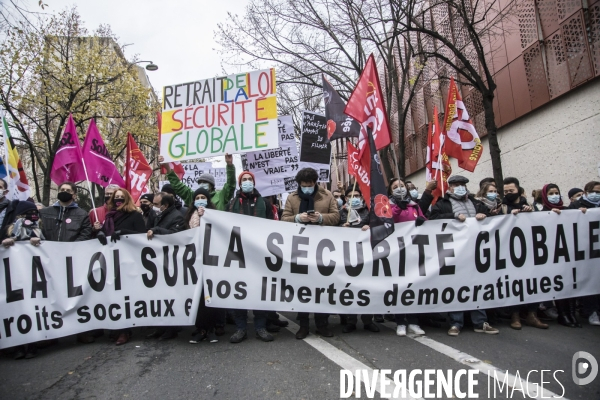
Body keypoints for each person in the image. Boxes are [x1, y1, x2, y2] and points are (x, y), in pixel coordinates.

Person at [429, 175, 499, 336]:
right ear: (450, 187)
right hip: (453, 252)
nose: (460, 187)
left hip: (475, 252)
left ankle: (480, 322)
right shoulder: (443, 204)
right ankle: (456, 322)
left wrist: (484, 215)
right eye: (456, 185)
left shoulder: (476, 203)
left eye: (462, 185)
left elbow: (491, 219)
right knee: (455, 286)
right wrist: (452, 217)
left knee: (477, 286)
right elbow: (433, 219)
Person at [282, 168, 340, 339]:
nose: (307, 188)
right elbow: (283, 219)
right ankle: (304, 325)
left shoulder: (327, 195)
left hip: (322, 249)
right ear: (299, 184)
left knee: (322, 287)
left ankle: (322, 324)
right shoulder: (292, 198)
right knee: (302, 288)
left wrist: (321, 218)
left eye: (310, 184)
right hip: (299, 249)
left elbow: (336, 217)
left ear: (315, 182)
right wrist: (297, 218)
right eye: (304, 185)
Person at [39, 182, 93, 343]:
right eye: (62, 190)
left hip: (73, 261)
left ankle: (81, 330)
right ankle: (52, 333)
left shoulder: (81, 214)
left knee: (76, 295)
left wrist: (71, 250)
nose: (64, 192)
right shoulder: (46, 212)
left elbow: (86, 233)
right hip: (49, 261)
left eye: (68, 191)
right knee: (51, 296)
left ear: (74, 194)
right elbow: (38, 231)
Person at [225, 171, 275, 343]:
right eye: (244, 180)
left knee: (259, 290)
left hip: (259, 253)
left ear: (254, 182)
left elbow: (272, 226)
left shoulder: (265, 203)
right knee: (239, 290)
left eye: (249, 180)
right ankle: (241, 328)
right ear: (240, 183)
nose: (247, 182)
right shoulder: (232, 203)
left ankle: (260, 327)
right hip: (238, 253)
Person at [96, 188, 147, 345]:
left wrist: (124, 232)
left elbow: (141, 235)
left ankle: (124, 331)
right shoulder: (109, 217)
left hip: (128, 263)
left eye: (121, 197)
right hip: (111, 262)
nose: (117, 199)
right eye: (115, 197)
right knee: (112, 295)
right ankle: (116, 328)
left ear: (127, 199)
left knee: (124, 297)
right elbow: (106, 235)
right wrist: (99, 233)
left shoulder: (135, 215)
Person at [2, 200, 44, 359]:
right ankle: (18, 346)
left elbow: (52, 247)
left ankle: (32, 345)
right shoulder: (9, 230)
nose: (32, 215)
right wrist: (7, 242)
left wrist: (39, 241)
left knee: (33, 309)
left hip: (34, 279)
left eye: (34, 212)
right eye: (28, 213)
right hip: (14, 278)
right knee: (16, 310)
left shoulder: (40, 228)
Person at [387, 178, 427, 337]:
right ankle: (400, 322)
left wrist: (422, 221)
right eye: (395, 187)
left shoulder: (414, 205)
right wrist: (397, 208)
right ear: (390, 191)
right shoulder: (388, 206)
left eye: (401, 186)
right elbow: (387, 221)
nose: (399, 189)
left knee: (413, 286)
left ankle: (413, 321)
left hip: (413, 251)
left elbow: (425, 221)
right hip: (396, 252)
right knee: (399, 287)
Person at [538, 184, 579, 328]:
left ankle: (572, 314)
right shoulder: (542, 212)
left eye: (557, 192)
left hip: (569, 253)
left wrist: (583, 212)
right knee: (560, 285)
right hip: (553, 254)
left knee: (571, 284)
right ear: (545, 196)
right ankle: (563, 315)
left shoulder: (568, 211)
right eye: (551, 193)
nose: (555, 195)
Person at [338, 186, 379, 334]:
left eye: (356, 195)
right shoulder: (341, 213)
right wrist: (341, 227)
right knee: (350, 287)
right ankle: (351, 321)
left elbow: (378, 226)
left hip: (367, 255)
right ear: (345, 198)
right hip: (348, 256)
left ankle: (368, 320)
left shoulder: (368, 211)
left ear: (361, 197)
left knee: (366, 287)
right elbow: (333, 230)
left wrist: (370, 226)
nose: (353, 198)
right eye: (350, 196)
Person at [145, 193, 185, 341]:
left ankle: (171, 329)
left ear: (165, 205)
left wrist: (157, 231)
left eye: (155, 204)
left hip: (170, 262)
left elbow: (176, 236)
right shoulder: (157, 215)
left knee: (170, 297)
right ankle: (160, 327)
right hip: (158, 261)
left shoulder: (177, 217)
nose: (153, 207)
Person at [185, 188, 221, 344]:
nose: (200, 199)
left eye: (203, 197)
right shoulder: (187, 217)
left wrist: (206, 218)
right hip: (194, 260)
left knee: (209, 296)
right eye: (197, 197)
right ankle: (200, 329)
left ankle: (211, 329)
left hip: (210, 260)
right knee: (198, 298)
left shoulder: (215, 215)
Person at [569, 181, 600, 326]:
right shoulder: (576, 206)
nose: (597, 194)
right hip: (585, 251)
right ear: (586, 192)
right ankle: (591, 311)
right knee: (590, 281)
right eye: (594, 191)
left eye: (599, 192)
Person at [159, 154, 236, 211]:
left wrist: (229, 165)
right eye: (200, 182)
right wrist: (168, 168)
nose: (202, 184)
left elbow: (230, 185)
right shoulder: (192, 196)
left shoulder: (220, 196)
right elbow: (178, 186)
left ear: (211, 185)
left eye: (205, 182)